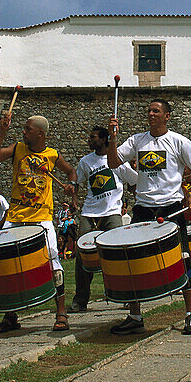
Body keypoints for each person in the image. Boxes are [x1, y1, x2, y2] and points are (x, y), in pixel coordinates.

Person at [107, 99, 191, 335]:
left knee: (182, 258)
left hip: (171, 207)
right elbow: (113, 162)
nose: (151, 114)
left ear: (167, 116)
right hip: (143, 207)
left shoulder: (179, 141)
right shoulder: (137, 140)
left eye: (156, 111)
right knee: (134, 261)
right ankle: (135, 316)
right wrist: (112, 137)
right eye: (149, 110)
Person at [0, 113, 78, 333]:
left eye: (27, 129)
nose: (23, 132)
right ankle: (11, 316)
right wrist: (2, 133)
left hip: (42, 218)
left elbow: (71, 171)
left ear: (40, 133)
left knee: (53, 261)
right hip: (15, 217)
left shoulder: (52, 155)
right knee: (9, 267)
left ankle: (61, 313)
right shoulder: (18, 149)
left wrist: (71, 185)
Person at [69, 127, 137, 313]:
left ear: (105, 139)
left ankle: (124, 295)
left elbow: (134, 181)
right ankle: (80, 299)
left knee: (118, 253)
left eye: (93, 137)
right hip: (90, 213)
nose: (89, 140)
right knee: (82, 256)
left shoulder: (117, 161)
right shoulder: (85, 161)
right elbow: (76, 183)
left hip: (112, 212)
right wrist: (74, 198)